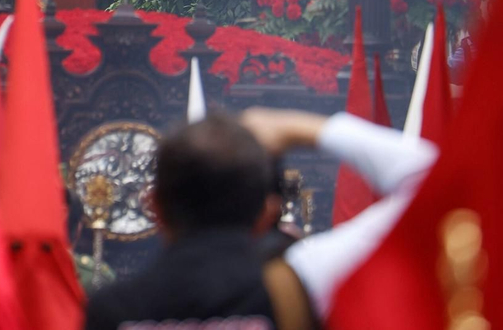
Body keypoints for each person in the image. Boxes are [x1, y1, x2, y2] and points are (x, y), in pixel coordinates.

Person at [82, 108, 435, 330]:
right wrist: (298, 127)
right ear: (268, 213)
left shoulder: (109, 309)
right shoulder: (305, 281)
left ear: (153, 206)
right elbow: (432, 182)